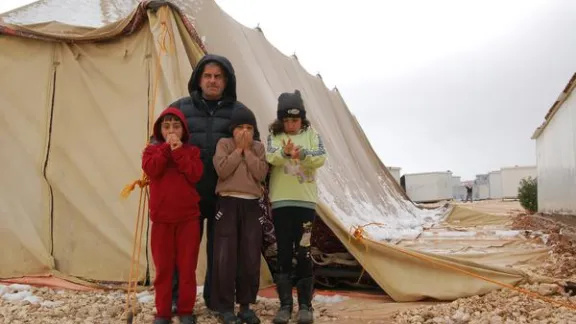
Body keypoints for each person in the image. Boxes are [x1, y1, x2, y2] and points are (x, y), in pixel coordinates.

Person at [168, 54, 260, 311]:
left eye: (218, 76)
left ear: (227, 81)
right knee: (183, 251)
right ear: (198, 79)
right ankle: (177, 300)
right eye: (207, 75)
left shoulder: (241, 113)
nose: (212, 81)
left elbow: (256, 149)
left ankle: (217, 301)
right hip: (188, 194)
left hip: (226, 196)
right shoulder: (180, 109)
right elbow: (160, 138)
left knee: (222, 253)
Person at [266, 90, 327, 324]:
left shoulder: (312, 134)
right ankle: (284, 305)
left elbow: (321, 157)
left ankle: (305, 306)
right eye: (287, 120)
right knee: (283, 253)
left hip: (305, 202)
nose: (291, 124)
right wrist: (285, 152)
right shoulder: (274, 135)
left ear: (302, 118)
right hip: (281, 202)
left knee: (304, 252)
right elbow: (270, 157)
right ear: (281, 119)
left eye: (295, 119)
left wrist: (303, 154)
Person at [142, 107, 204, 324]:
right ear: (159, 130)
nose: (171, 131)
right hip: (161, 220)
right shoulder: (151, 151)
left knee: (187, 268)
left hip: (188, 219)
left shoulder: (192, 151)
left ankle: (186, 310)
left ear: (183, 130)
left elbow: (195, 174)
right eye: (166, 126)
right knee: (164, 269)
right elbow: (152, 170)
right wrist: (166, 150)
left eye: (176, 126)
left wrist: (178, 152)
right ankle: (163, 312)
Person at [211, 106, 269, 324]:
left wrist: (248, 152)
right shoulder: (224, 145)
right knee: (225, 255)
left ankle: (245, 305)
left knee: (249, 255)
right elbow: (223, 170)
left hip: (251, 204)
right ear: (232, 130)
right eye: (240, 128)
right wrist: (238, 151)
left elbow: (261, 174)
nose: (244, 132)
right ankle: (225, 306)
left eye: (249, 128)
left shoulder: (259, 148)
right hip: (227, 203)